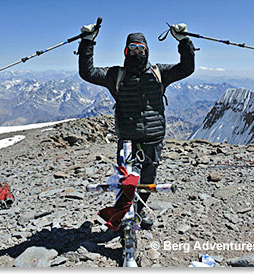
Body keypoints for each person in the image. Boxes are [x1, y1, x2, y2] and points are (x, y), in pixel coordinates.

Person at [78, 21, 195, 229]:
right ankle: (125, 213)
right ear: (125, 50)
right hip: (128, 139)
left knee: (147, 179)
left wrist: (184, 41)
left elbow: (187, 68)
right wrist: (87, 42)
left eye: (140, 48)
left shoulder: (159, 72)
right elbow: (87, 72)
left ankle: (138, 212)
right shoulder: (115, 75)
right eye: (132, 48)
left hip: (154, 137)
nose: (136, 52)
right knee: (128, 180)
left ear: (147, 50)